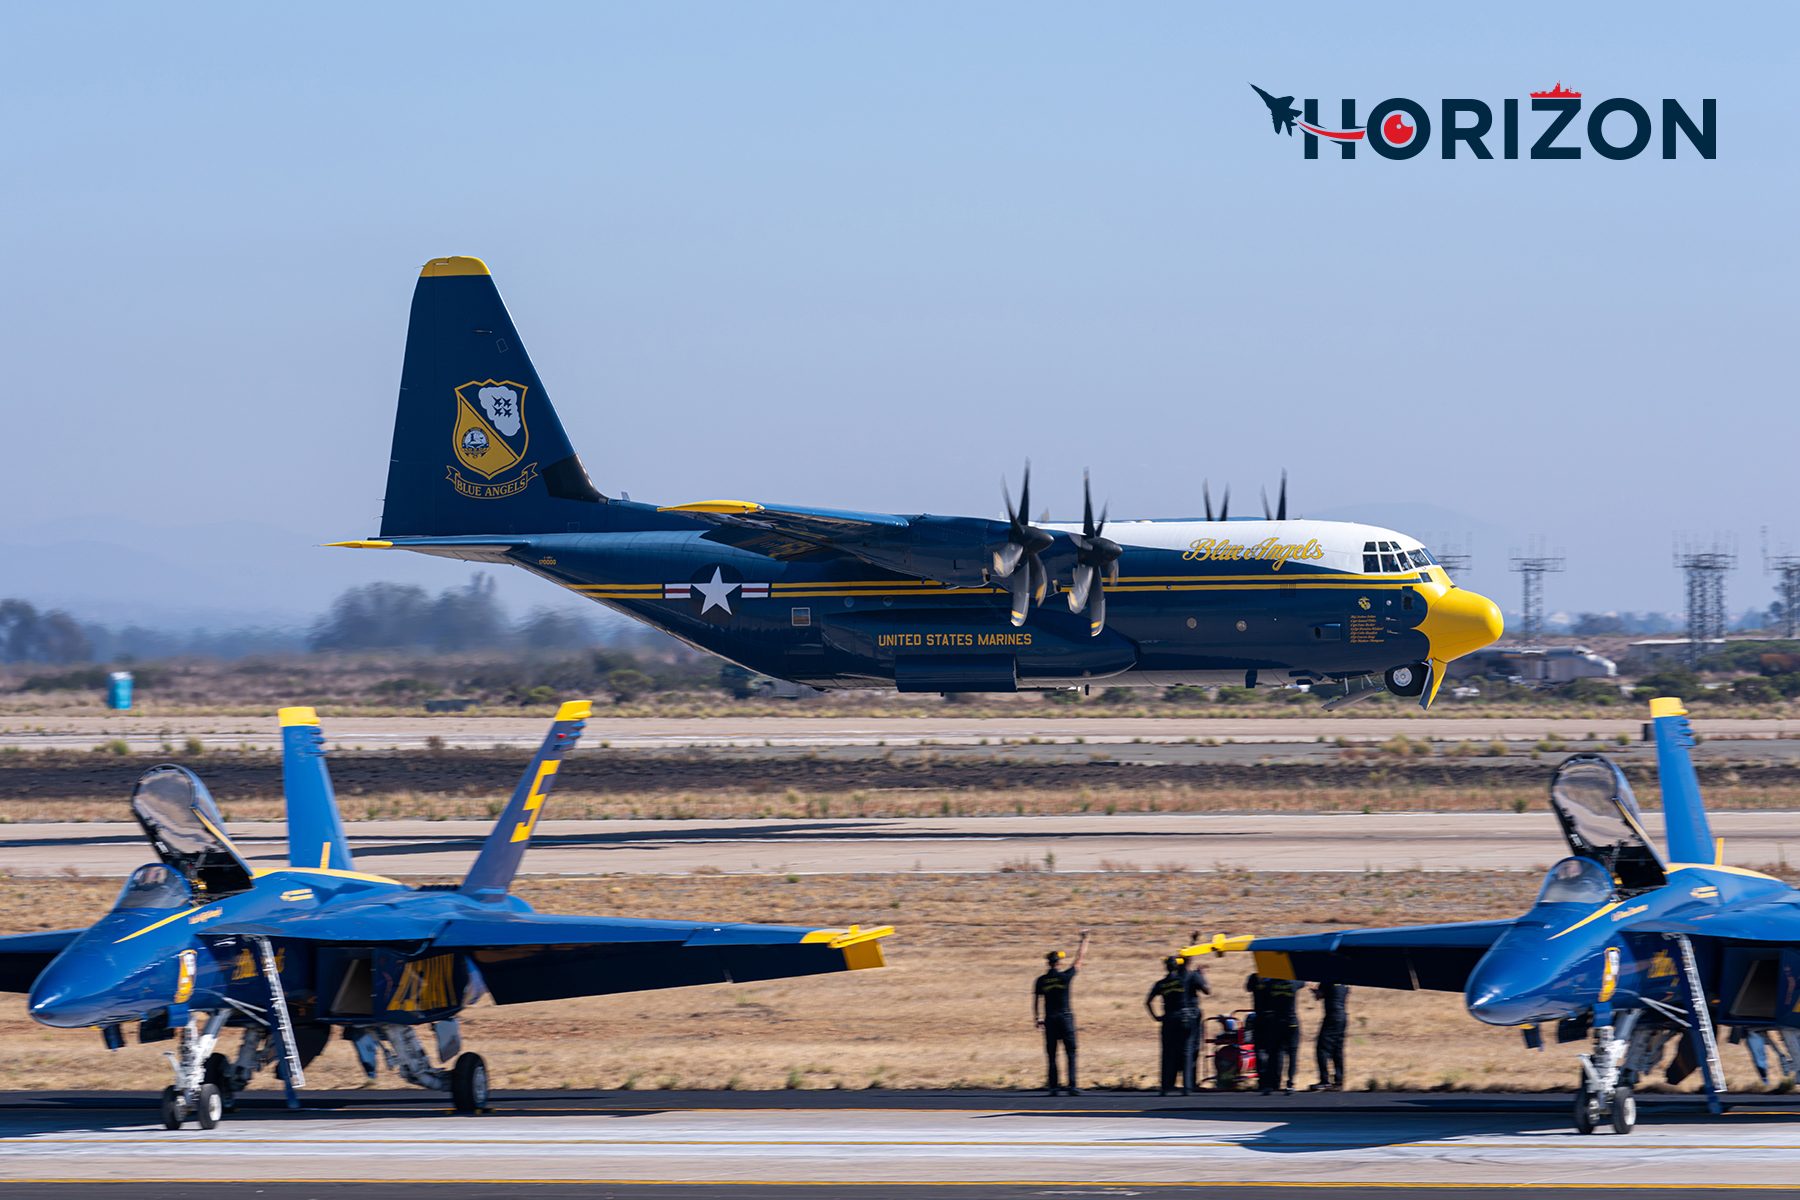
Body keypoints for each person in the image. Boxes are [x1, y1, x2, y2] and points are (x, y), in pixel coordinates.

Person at [1034, 929, 1092, 1095]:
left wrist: (1038, 1019)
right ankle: (1072, 1085)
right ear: (1059, 963)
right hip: (1065, 1018)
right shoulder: (1065, 977)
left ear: (1048, 963)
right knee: (1071, 1052)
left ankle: (1053, 1087)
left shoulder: (1041, 980)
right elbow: (1079, 960)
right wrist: (1084, 940)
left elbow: (1036, 1000)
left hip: (1050, 1019)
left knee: (1052, 1054)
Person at [1146, 953, 1211, 1094]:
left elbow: (1148, 1001)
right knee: (1186, 1052)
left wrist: (1156, 1017)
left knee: (1168, 1054)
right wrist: (1200, 973)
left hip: (1168, 1019)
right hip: (1185, 1018)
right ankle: (1187, 1087)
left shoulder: (1161, 983)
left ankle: (1165, 1087)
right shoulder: (1184, 979)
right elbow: (1189, 967)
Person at [1247, 972, 1301, 1094]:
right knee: (1292, 1052)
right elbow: (1304, 981)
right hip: (1290, 1020)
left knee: (1274, 1052)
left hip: (1275, 1020)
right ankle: (1290, 1083)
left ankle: (1268, 1083)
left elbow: (1256, 986)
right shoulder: (1293, 983)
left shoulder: (1271, 983)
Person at [1310, 981, 1349, 1091]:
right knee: (1337, 1049)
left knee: (1321, 1049)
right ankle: (1339, 1080)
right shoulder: (1346, 980)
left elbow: (1319, 996)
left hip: (1332, 1015)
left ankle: (1324, 1080)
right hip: (1342, 1015)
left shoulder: (1328, 979)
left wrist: (1314, 991)